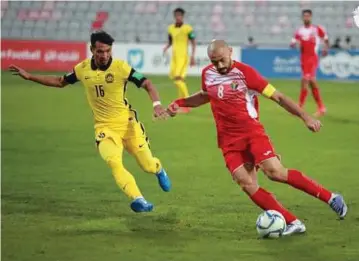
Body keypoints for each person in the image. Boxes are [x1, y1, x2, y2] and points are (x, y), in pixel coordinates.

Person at [167, 40, 347, 236]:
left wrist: (305, 116)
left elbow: (278, 97)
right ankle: (292, 222)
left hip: (251, 133)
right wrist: (181, 102)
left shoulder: (246, 73)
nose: (219, 66)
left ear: (230, 51)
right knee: (246, 183)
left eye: (222, 60)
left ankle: (331, 197)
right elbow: (205, 95)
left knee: (275, 172)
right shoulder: (208, 74)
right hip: (227, 141)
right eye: (214, 61)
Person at [9, 31, 171, 213]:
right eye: (100, 51)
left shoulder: (121, 68)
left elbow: (147, 83)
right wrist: (30, 76)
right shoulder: (82, 69)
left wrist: (157, 104)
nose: (105, 55)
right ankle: (138, 199)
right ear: (92, 49)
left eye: (108, 51)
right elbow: (60, 81)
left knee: (147, 165)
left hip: (128, 125)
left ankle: (159, 170)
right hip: (104, 128)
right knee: (114, 162)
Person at [290, 9, 329, 117]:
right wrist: (294, 44)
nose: (306, 18)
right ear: (302, 18)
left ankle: (300, 107)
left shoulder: (316, 29)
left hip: (312, 57)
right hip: (303, 58)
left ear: (311, 17)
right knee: (310, 82)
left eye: (308, 16)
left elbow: (325, 39)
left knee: (307, 79)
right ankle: (321, 107)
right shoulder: (299, 31)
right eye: (305, 16)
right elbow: (293, 42)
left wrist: (326, 49)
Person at [163, 7, 196, 114]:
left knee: (178, 79)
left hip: (183, 57)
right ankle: (181, 104)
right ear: (174, 16)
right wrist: (166, 47)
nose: (178, 17)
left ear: (182, 16)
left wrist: (192, 56)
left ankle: (188, 102)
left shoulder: (188, 29)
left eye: (180, 15)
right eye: (176, 15)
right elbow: (170, 41)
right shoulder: (171, 28)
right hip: (174, 57)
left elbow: (193, 42)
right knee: (177, 80)